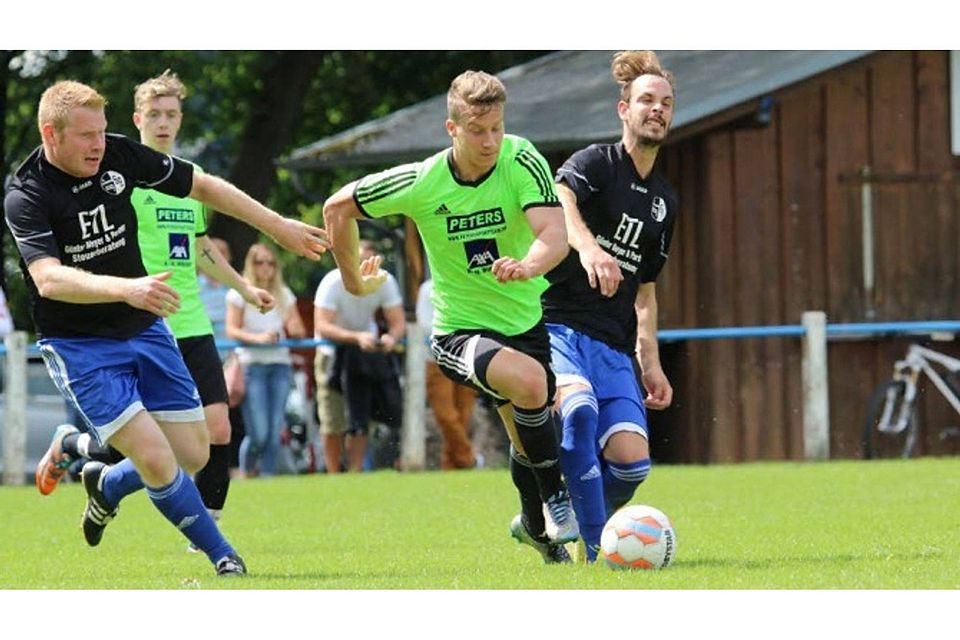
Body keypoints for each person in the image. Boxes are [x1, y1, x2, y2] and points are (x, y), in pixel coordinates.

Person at [4, 80, 327, 576]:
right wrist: (125, 288)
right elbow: (47, 279)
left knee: (193, 453)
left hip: (144, 325)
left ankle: (103, 481)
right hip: (80, 344)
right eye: (86, 135)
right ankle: (225, 557)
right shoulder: (26, 194)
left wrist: (277, 225)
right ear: (51, 133)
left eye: (102, 132)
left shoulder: (118, 155)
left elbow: (202, 184)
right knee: (156, 458)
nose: (98, 145)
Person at [323, 69, 579, 554]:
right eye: (478, 130)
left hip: (525, 323)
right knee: (530, 385)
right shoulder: (422, 181)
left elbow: (555, 235)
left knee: (527, 434)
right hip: (459, 334)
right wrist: (355, 282)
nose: (491, 141)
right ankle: (556, 498)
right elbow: (337, 208)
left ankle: (535, 530)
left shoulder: (521, 157)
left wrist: (528, 265)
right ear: (451, 128)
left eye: (497, 128)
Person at [34, 72, 275, 551]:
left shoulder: (184, 182)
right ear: (137, 119)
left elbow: (200, 248)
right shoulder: (121, 180)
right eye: (156, 115)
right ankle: (81, 450)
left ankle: (117, 486)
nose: (164, 124)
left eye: (173, 115)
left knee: (214, 431)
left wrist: (243, 286)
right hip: (142, 319)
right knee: (154, 441)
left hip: (190, 321)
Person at [533, 51, 678, 563]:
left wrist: (651, 362)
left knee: (633, 463)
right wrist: (589, 247)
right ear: (624, 109)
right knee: (578, 413)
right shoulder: (596, 162)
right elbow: (559, 197)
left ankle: (553, 517)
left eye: (665, 103)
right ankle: (595, 553)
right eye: (646, 101)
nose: (656, 109)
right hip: (559, 327)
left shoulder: (664, 201)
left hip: (615, 344)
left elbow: (646, 292)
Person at [313, 238, 405, 473]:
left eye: (372, 263)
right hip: (331, 353)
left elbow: (398, 324)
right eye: (362, 262)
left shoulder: (384, 280)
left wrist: (391, 338)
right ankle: (334, 473)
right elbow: (323, 325)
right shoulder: (333, 282)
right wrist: (356, 337)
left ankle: (354, 472)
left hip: (365, 355)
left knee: (361, 417)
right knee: (333, 419)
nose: (367, 268)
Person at [226, 243, 305, 478]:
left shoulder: (284, 293)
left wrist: (294, 329)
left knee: (274, 432)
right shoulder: (239, 292)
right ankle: (247, 473)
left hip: (280, 364)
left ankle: (268, 479)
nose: (266, 268)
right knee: (258, 433)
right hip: (251, 364)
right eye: (260, 262)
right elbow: (232, 330)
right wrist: (259, 338)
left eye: (271, 262)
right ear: (251, 264)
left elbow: (296, 328)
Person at [415, 277, 478, 469]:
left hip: (467, 357)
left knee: (464, 414)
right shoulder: (427, 288)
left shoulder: (467, 284)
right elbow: (426, 325)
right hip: (436, 361)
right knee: (445, 415)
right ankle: (468, 459)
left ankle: (451, 464)